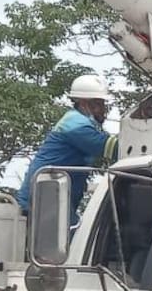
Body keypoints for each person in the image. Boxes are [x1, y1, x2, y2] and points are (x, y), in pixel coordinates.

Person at [16, 73, 120, 224]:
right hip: (44, 197)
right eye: (98, 104)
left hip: (51, 195)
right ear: (84, 103)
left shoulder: (77, 122)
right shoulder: (77, 126)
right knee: (70, 243)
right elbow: (113, 148)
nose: (103, 109)